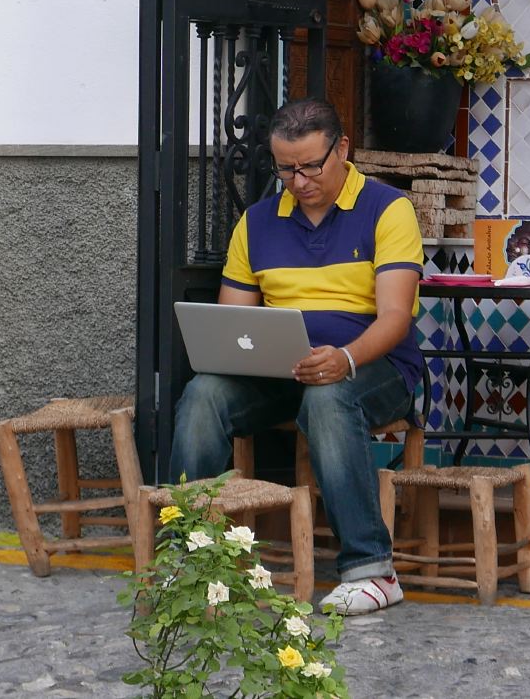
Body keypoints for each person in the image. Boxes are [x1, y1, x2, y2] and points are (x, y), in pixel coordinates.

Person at [168, 96, 425, 616]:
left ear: (343, 149)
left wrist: (345, 359)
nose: (299, 180)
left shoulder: (387, 208)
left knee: (329, 398)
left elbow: (396, 318)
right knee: (203, 395)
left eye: (311, 166)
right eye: (286, 169)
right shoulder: (258, 222)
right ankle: (189, 557)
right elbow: (234, 320)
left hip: (375, 367)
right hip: (285, 370)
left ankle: (372, 570)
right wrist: (242, 351)